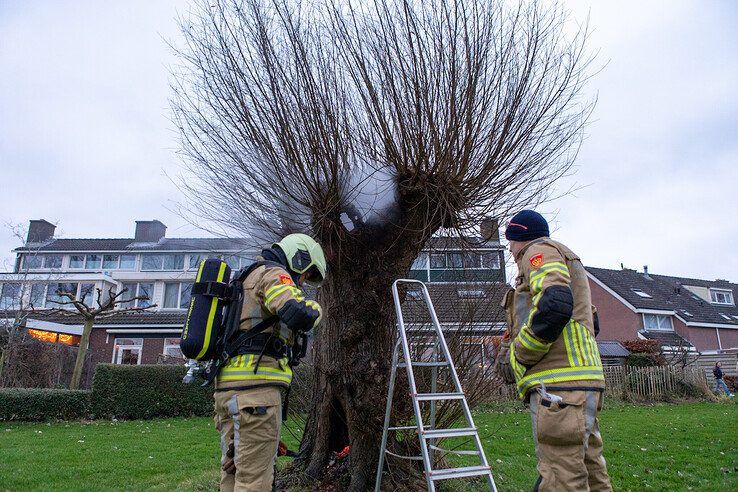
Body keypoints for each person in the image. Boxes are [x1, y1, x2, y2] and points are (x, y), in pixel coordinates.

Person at [496, 210, 613, 491]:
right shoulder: (564, 259)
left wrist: (521, 355)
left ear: (518, 237)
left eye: (510, 242)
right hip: (579, 385)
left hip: (559, 387)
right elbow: (585, 320)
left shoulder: (538, 251)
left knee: (561, 477)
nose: (510, 250)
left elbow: (555, 303)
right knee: (589, 471)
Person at [213, 233, 326, 492]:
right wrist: (317, 309)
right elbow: (296, 312)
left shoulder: (244, 279)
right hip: (256, 396)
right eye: (305, 274)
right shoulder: (273, 274)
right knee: (255, 481)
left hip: (228, 392)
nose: (302, 281)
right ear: (299, 258)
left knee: (233, 473)